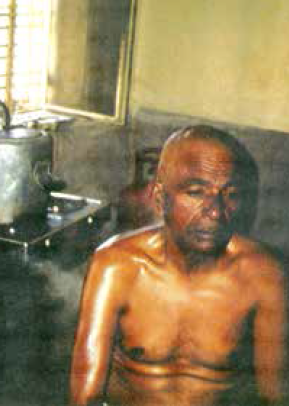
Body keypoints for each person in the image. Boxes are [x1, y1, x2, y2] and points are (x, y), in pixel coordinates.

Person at [69, 125, 287, 406]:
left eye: (230, 194)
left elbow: (275, 396)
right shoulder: (116, 265)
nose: (216, 211)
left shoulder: (264, 274)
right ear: (161, 200)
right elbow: (85, 396)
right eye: (196, 192)